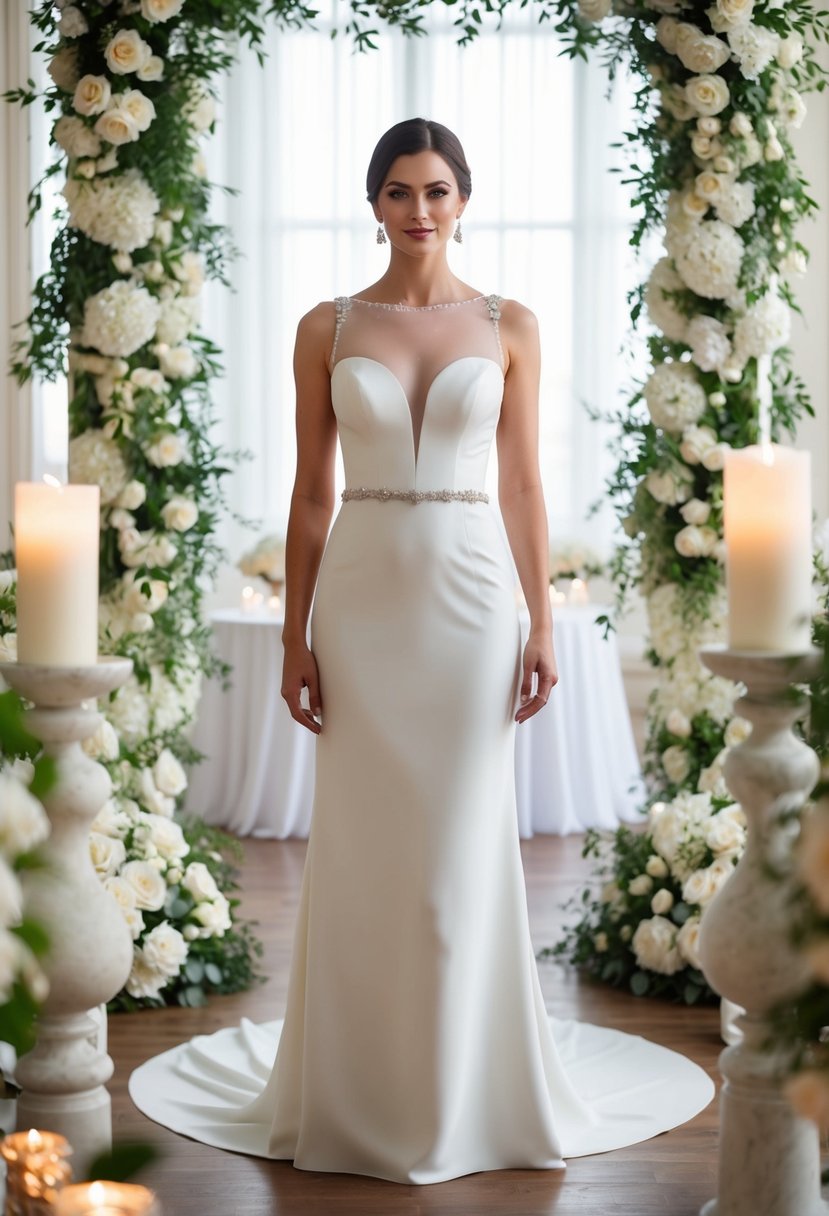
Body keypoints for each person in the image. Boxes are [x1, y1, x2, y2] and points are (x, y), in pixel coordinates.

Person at [129, 118, 713, 1184]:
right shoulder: (326, 325)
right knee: (361, 841)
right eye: (399, 192)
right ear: (373, 203)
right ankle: (357, 1086)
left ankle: (463, 1086)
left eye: (436, 191)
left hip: (473, 597)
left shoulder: (509, 324)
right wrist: (298, 635)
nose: (419, 211)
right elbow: (309, 494)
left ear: (463, 199)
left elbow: (527, 486)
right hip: (360, 599)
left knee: (456, 848)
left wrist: (541, 621)